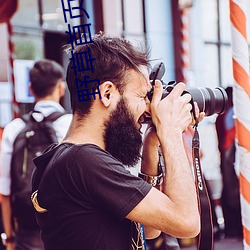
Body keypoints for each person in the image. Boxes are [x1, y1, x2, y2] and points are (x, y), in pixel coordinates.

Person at [31, 34, 202, 250]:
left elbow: (149, 228)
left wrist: (151, 144)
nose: (149, 109)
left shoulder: (66, 158)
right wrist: (172, 132)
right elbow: (186, 222)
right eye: (142, 96)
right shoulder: (83, 162)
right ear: (107, 93)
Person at [0, 59, 72, 250]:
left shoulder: (14, 128)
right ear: (60, 88)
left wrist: (9, 239)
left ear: (31, 89)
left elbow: (5, 191)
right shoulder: (71, 124)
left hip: (27, 232)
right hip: (67, 230)